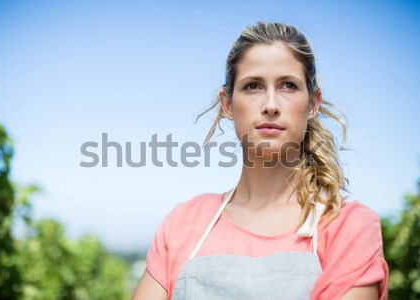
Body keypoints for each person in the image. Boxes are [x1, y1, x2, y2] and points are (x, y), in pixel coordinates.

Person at [131, 21, 389, 300]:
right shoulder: (183, 223)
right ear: (227, 104)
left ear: (313, 103)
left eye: (288, 85)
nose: (270, 104)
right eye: (253, 86)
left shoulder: (347, 227)